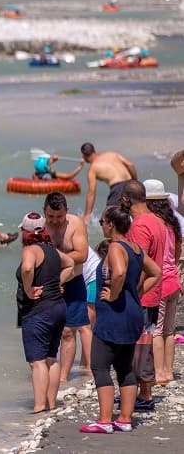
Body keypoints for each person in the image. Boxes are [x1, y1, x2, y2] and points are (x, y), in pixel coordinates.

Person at [80, 205, 161, 434]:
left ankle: (105, 420)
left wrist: (114, 295)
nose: (102, 225)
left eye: (102, 222)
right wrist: (137, 292)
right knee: (124, 366)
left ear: (111, 224)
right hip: (132, 312)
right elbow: (156, 272)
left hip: (115, 314)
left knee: (100, 364)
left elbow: (118, 273)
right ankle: (124, 419)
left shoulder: (116, 246)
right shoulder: (135, 248)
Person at [15, 212, 75, 414]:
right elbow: (71, 264)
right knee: (51, 358)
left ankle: (39, 405)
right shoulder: (53, 251)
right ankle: (50, 404)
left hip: (38, 310)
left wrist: (28, 288)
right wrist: (59, 282)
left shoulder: (30, 250)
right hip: (58, 307)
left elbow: (27, 269)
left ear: (25, 232)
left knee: (37, 361)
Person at [120, 179, 166, 411]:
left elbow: (139, 263)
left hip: (142, 293)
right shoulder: (157, 221)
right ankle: (143, 392)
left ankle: (144, 395)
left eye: (122, 199)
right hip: (155, 290)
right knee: (145, 341)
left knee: (138, 344)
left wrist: (131, 292)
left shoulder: (139, 225)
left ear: (127, 199)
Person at [42, 192, 92, 384]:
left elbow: (82, 254)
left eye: (59, 217)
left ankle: (63, 377)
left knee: (68, 331)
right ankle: (44, 373)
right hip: (48, 283)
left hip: (73, 282)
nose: (54, 221)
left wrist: (55, 256)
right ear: (44, 212)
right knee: (46, 331)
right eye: (50, 216)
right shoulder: (39, 225)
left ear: (66, 212)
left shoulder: (75, 224)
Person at [144, 179, 182, 385]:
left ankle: (158, 373)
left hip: (159, 282)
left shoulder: (150, 223)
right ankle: (168, 372)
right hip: (174, 280)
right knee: (169, 330)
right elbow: (177, 254)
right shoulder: (172, 222)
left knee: (156, 331)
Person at [80, 142, 138, 225]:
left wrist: (87, 215)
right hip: (131, 184)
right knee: (133, 215)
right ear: (94, 151)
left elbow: (91, 193)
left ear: (84, 156)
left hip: (118, 188)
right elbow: (130, 165)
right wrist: (135, 183)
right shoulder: (112, 154)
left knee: (107, 221)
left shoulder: (93, 168)